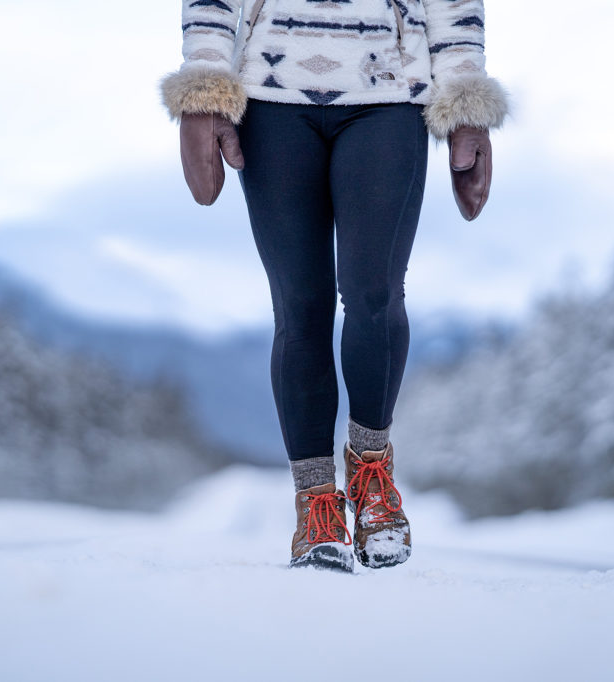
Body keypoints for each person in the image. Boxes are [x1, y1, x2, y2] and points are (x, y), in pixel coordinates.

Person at [160, 0, 508, 572]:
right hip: (270, 94)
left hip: (390, 92)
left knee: (374, 294)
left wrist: (467, 101)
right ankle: (317, 501)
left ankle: (372, 472)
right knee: (301, 308)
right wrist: (203, 93)